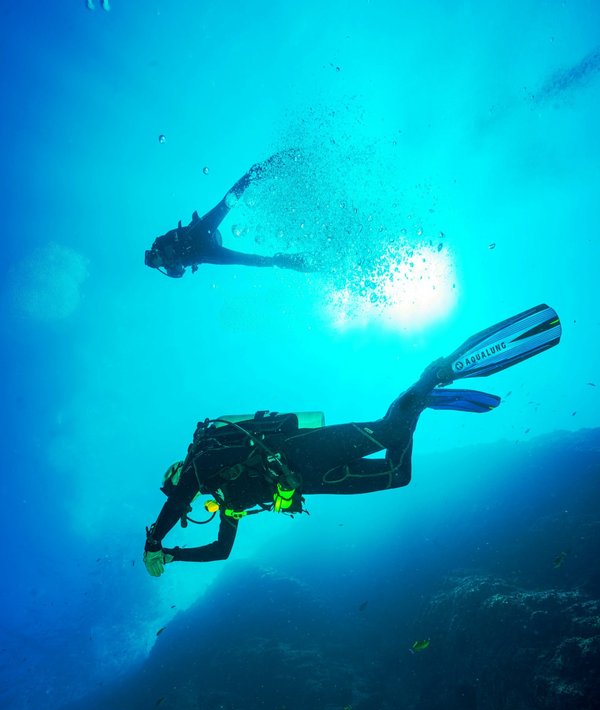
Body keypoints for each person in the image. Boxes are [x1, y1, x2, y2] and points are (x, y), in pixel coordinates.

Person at [142, 304, 562, 576]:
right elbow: (221, 550)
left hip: (304, 450)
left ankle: (431, 377)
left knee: (391, 430)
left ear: (178, 470)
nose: (182, 493)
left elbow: (177, 499)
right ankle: (420, 404)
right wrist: (173, 554)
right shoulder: (227, 497)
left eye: (174, 481)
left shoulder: (204, 459)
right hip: (313, 482)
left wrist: (153, 542)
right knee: (399, 476)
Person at [144, 151, 312, 279]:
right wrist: (174, 265)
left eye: (152, 255)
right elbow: (179, 274)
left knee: (226, 203)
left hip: (197, 234)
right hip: (205, 252)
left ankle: (256, 172)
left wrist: (168, 247)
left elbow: (176, 234)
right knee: (243, 260)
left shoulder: (161, 242)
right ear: (157, 266)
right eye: (154, 260)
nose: (155, 256)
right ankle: (286, 261)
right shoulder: (168, 268)